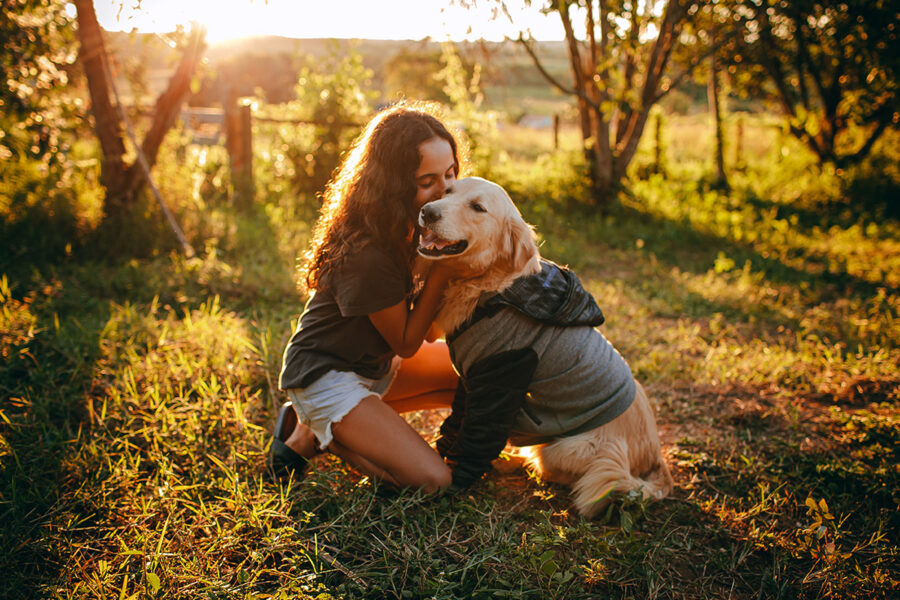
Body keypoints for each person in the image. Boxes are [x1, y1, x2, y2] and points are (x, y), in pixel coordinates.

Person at [271, 103, 461, 493]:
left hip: (374, 367)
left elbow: (430, 333)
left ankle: (320, 428)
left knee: (473, 371)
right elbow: (408, 343)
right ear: (394, 183)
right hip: (325, 375)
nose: (445, 191)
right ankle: (321, 432)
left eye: (451, 173)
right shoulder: (368, 252)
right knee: (434, 482)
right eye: (428, 181)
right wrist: (441, 268)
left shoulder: (417, 226)